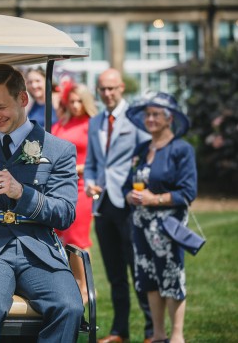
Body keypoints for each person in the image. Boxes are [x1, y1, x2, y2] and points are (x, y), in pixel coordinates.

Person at [0, 64, 82, 342]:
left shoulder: (58, 149)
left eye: (0, 107)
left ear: (23, 99)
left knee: (70, 306)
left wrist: (21, 193)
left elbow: (65, 213)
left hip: (37, 249)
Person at [84, 68, 153, 343]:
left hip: (130, 204)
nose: (107, 94)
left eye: (112, 88)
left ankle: (153, 331)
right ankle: (119, 331)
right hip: (103, 205)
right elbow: (91, 163)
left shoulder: (138, 120)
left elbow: (148, 160)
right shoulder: (95, 122)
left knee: (139, 269)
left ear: (122, 88)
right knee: (114, 274)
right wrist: (89, 182)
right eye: (102, 89)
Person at [123, 92, 197, 343]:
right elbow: (126, 185)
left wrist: (156, 199)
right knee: (148, 279)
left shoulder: (181, 149)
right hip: (140, 226)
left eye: (156, 115)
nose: (150, 119)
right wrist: (129, 196)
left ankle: (177, 335)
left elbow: (188, 192)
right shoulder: (141, 149)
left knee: (171, 277)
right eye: (147, 115)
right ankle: (157, 334)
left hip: (168, 226)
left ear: (169, 119)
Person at [51, 81, 98, 305]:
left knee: (76, 238)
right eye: (72, 101)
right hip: (60, 185)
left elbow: (96, 159)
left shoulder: (91, 124)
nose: (76, 105)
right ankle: (74, 284)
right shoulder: (62, 122)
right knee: (62, 235)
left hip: (81, 186)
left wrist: (73, 168)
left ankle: (85, 287)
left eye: (80, 101)